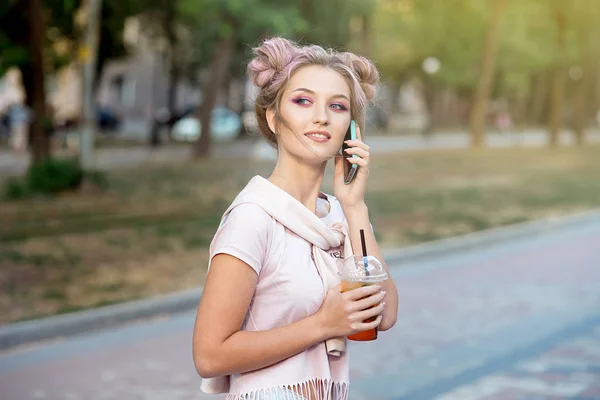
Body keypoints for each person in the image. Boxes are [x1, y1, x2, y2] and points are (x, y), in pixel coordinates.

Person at [192, 37, 399, 400]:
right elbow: (209, 356)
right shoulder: (254, 217)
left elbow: (385, 314)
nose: (321, 116)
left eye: (337, 106)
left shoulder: (337, 214)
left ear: (351, 129)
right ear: (273, 118)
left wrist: (355, 207)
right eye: (303, 100)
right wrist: (324, 324)